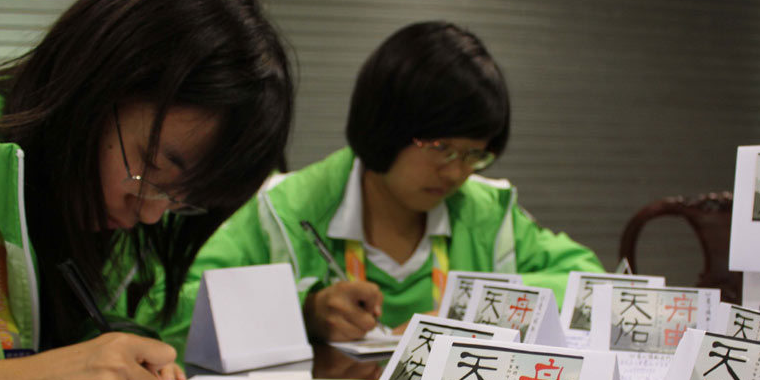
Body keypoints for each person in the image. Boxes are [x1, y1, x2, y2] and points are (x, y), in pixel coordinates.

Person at [0, 0, 293, 380]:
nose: (150, 214)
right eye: (151, 166)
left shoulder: (87, 208)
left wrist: (115, 350)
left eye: (179, 198)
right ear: (91, 85)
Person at [142, 20, 602, 351]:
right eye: (441, 148)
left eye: (474, 154)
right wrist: (304, 312)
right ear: (386, 126)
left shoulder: (487, 210)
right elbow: (167, 310)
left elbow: (591, 287)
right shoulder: (285, 209)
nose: (457, 173)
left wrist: (471, 307)